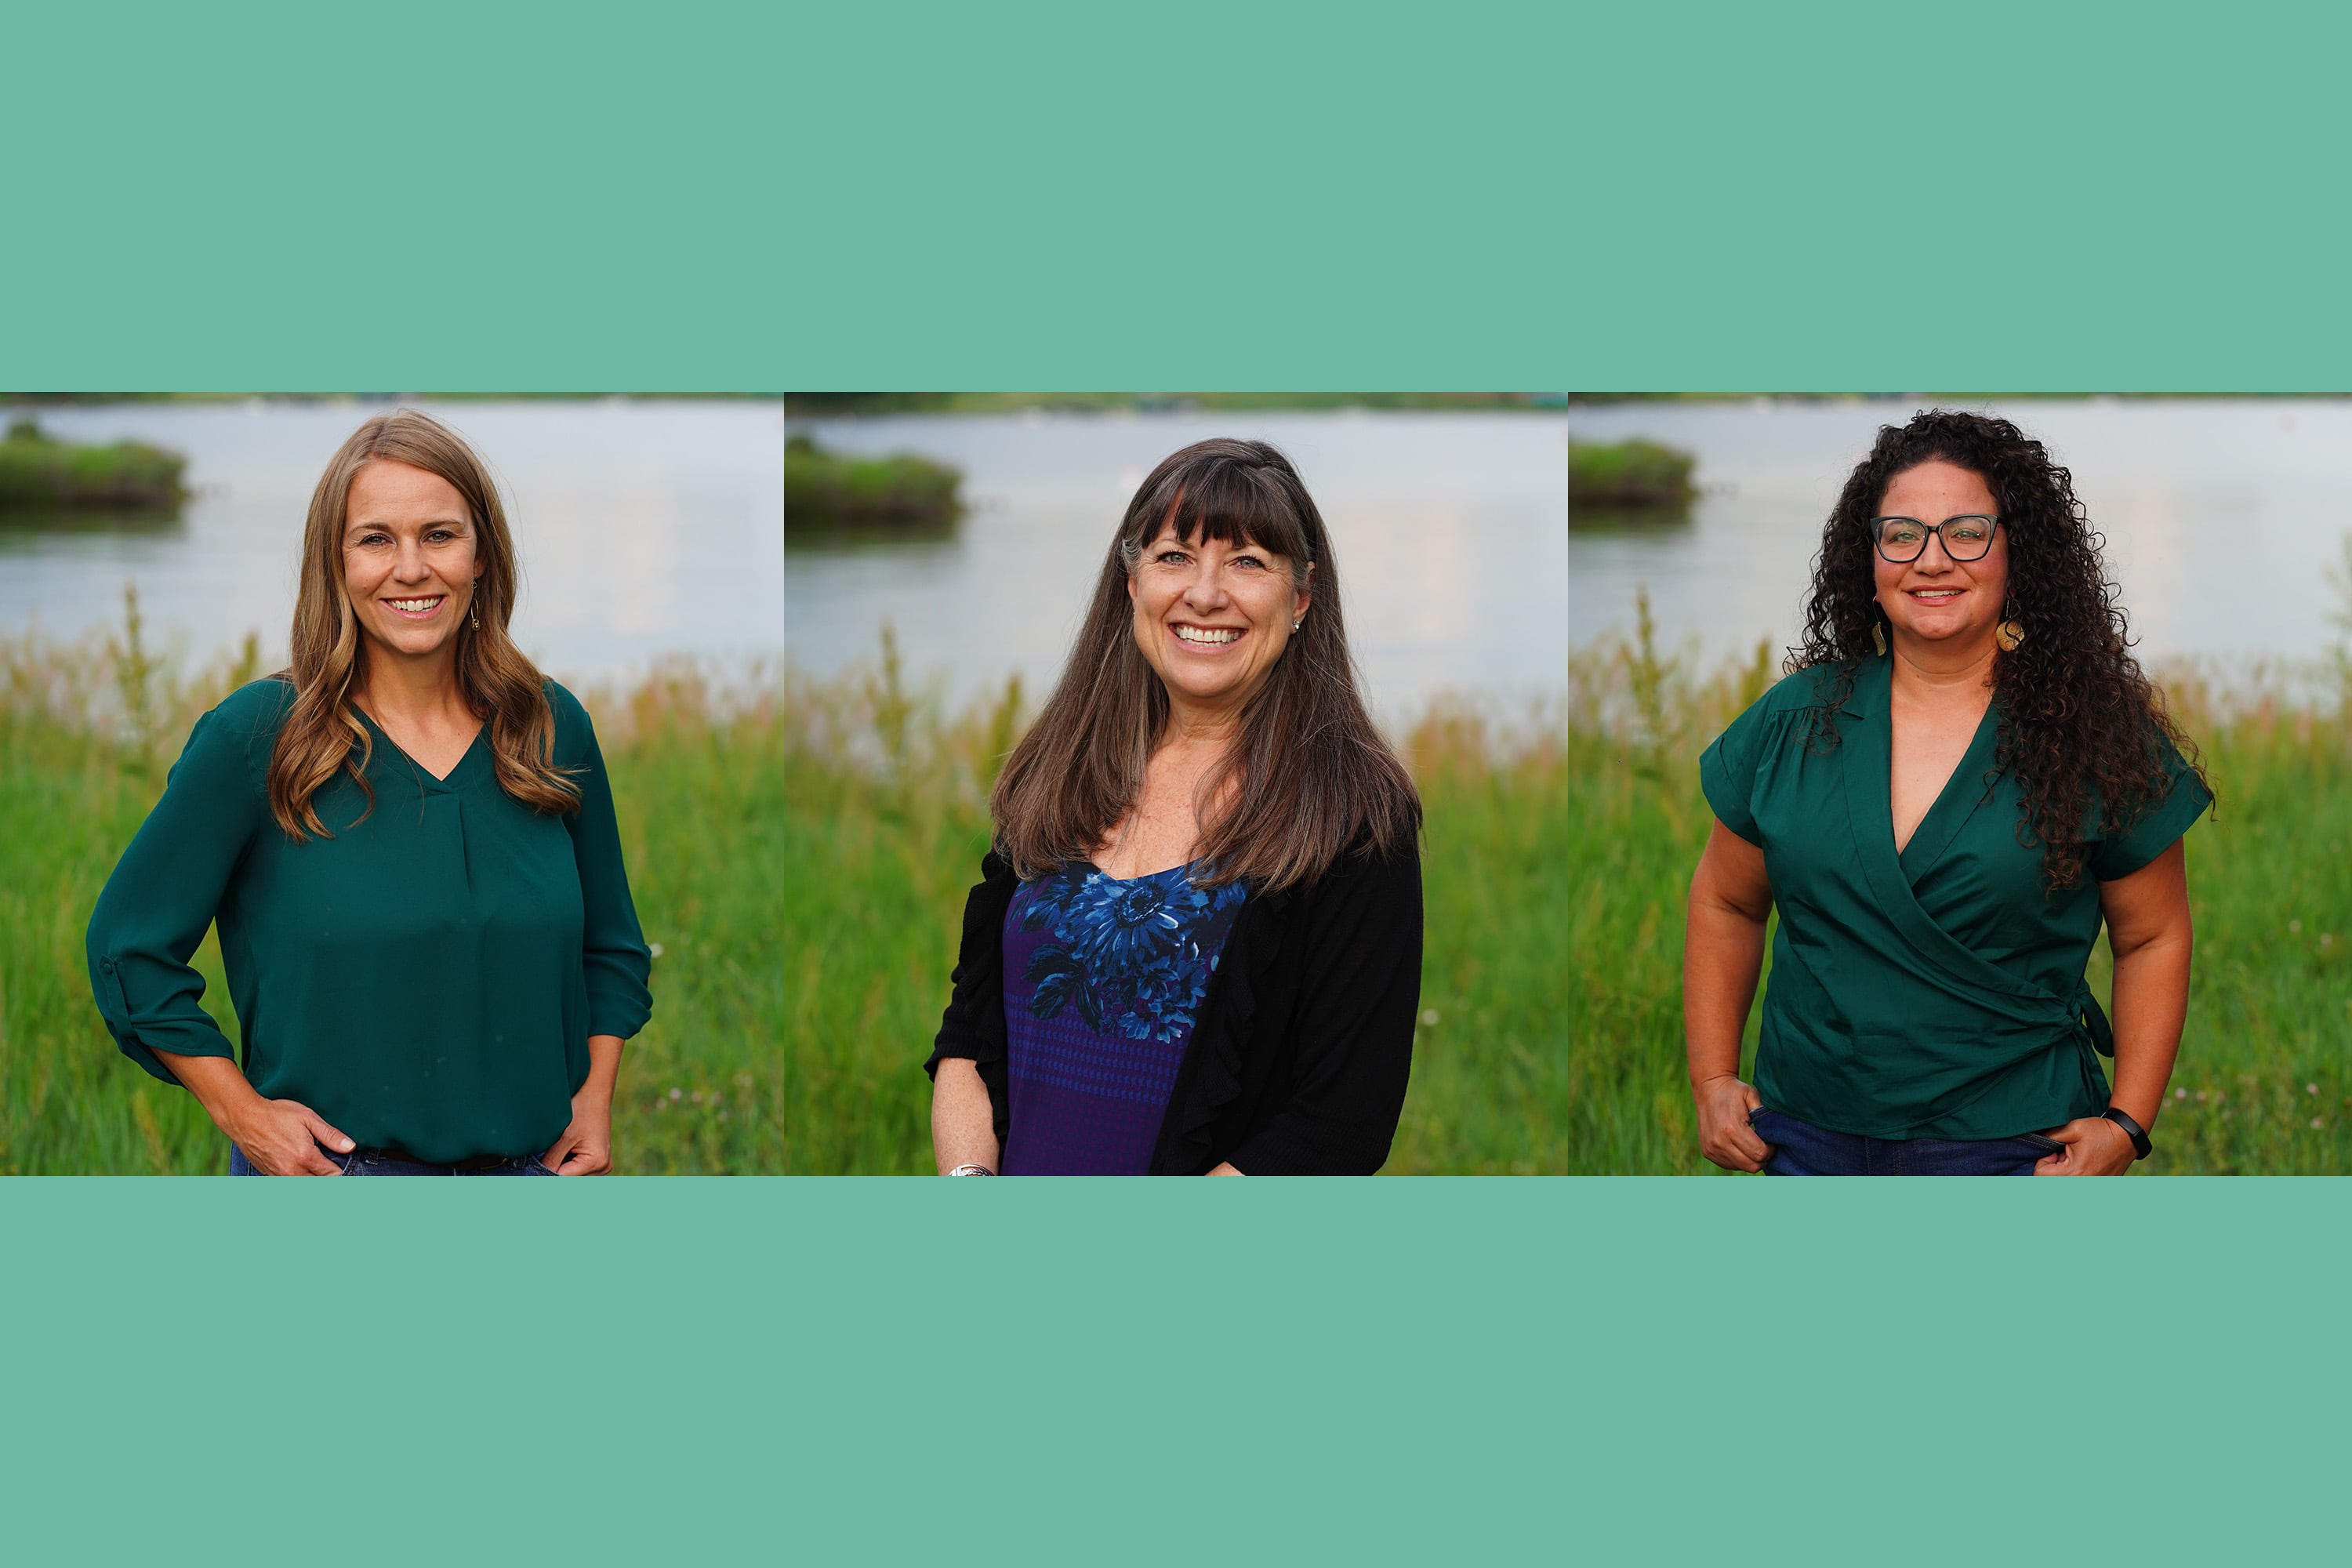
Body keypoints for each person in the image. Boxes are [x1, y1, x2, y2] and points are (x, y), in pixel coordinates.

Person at [86, 408, 652, 1174]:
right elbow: (129, 946)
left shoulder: (550, 726)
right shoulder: (257, 737)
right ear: (336, 561)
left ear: (482, 554)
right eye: (376, 538)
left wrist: (594, 1096)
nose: (411, 568)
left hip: (538, 1170)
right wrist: (242, 1111)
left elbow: (611, 948)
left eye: (440, 535)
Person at [1685, 409, 2210, 1176]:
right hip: (1802, 1136)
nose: (1932, 560)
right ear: (1868, 557)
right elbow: (1726, 901)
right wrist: (1711, 1077)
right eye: (1902, 533)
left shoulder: (2095, 734)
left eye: (1966, 531)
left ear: (2016, 552)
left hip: (2014, 1141)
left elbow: (2153, 936)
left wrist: (2128, 1121)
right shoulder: (1792, 721)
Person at [927, 437, 1423, 1174]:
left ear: (1303, 596)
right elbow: (969, 1028)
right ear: (1131, 583)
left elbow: (1341, 1122)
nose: (1205, 593)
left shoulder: (1353, 815)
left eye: (1248, 562)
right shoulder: (1058, 771)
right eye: (1174, 557)